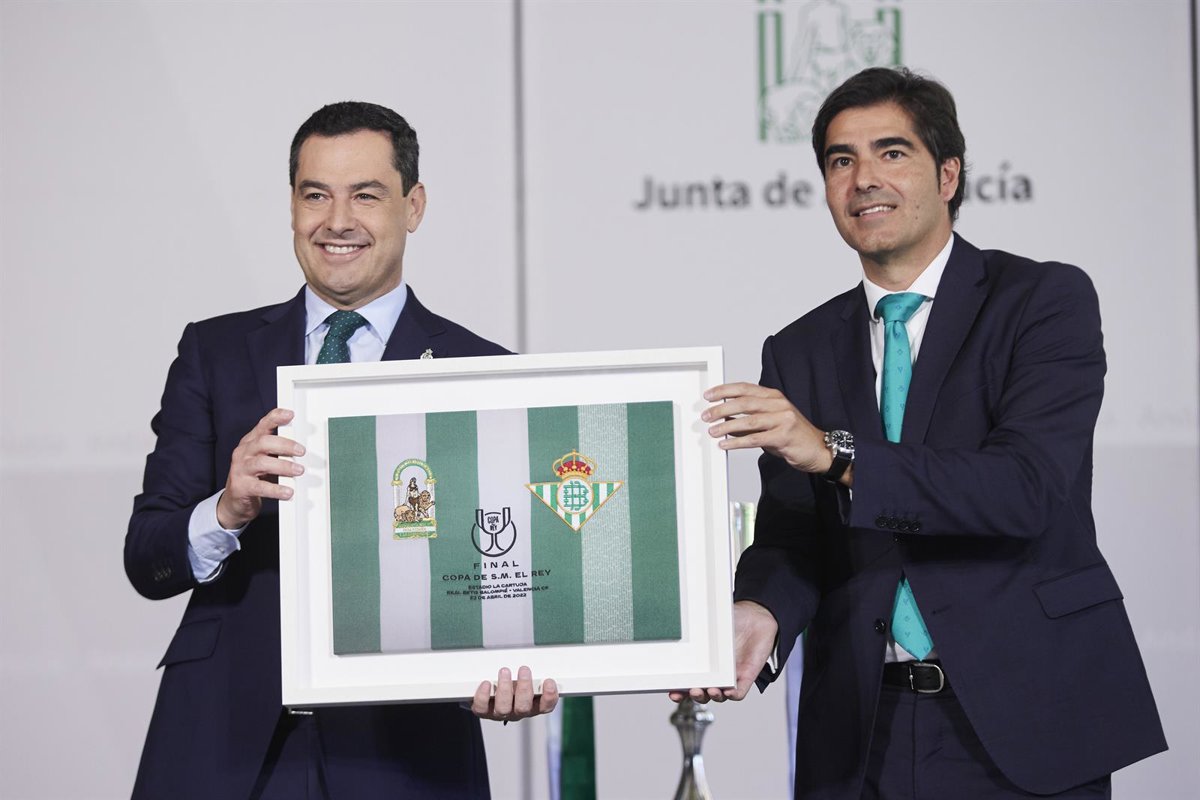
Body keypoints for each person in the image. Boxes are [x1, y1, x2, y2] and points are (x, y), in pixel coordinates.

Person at [680, 67, 1166, 798]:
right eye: (841, 160)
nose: (864, 179)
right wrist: (761, 609)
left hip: (1024, 719)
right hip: (862, 734)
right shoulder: (798, 349)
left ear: (948, 174)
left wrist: (836, 454)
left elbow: (1023, 489)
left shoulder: (1042, 300)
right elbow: (794, 536)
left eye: (892, 152)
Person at [125, 101, 556, 799]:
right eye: (316, 195)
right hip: (224, 739)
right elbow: (148, 558)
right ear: (292, 206)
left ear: (413, 207)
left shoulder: (483, 370)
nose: (337, 220)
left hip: (406, 752)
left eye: (366, 195)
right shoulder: (215, 351)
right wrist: (227, 509)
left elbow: (511, 573)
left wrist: (513, 668)